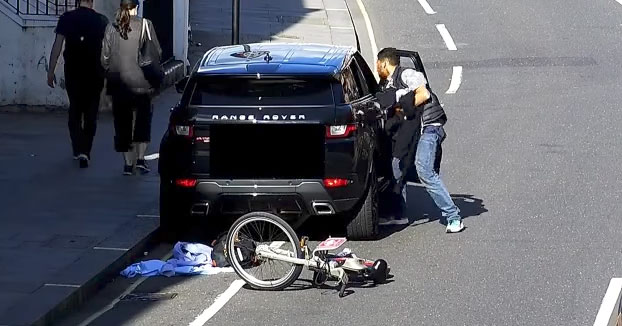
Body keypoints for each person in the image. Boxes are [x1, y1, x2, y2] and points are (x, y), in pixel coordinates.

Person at [376, 48, 464, 233]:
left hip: (429, 127)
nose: (376, 69)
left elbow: (423, 94)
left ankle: (453, 216)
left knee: (424, 170)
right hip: (413, 131)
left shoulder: (407, 74)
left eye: (377, 65)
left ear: (383, 63)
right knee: (396, 166)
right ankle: (399, 214)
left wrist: (401, 103)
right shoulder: (387, 84)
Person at [101, 0, 161, 175]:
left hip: (118, 83)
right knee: (143, 121)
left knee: (122, 123)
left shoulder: (111, 28)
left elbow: (104, 58)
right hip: (142, 83)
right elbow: (156, 51)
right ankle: (141, 160)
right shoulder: (145, 25)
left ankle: (128, 165)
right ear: (136, 7)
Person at [47, 0, 109, 168]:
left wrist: (51, 70)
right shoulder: (102, 21)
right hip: (95, 73)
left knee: (75, 109)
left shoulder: (67, 18)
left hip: (73, 72)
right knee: (91, 113)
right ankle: (85, 151)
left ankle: (77, 148)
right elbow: (108, 50)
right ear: (92, 2)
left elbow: (57, 45)